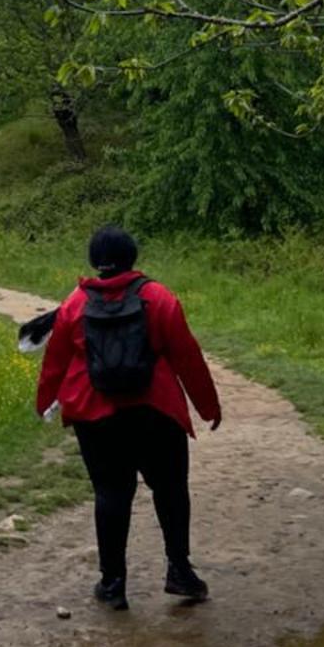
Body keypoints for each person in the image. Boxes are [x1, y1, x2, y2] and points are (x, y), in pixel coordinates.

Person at [34, 224, 221, 612]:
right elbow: (187, 354)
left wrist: (45, 401)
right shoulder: (159, 297)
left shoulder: (74, 304)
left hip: (94, 412)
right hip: (156, 409)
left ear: (94, 260)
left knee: (111, 494)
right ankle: (180, 571)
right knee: (170, 488)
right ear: (132, 256)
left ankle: (113, 584)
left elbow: (56, 360)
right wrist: (207, 406)